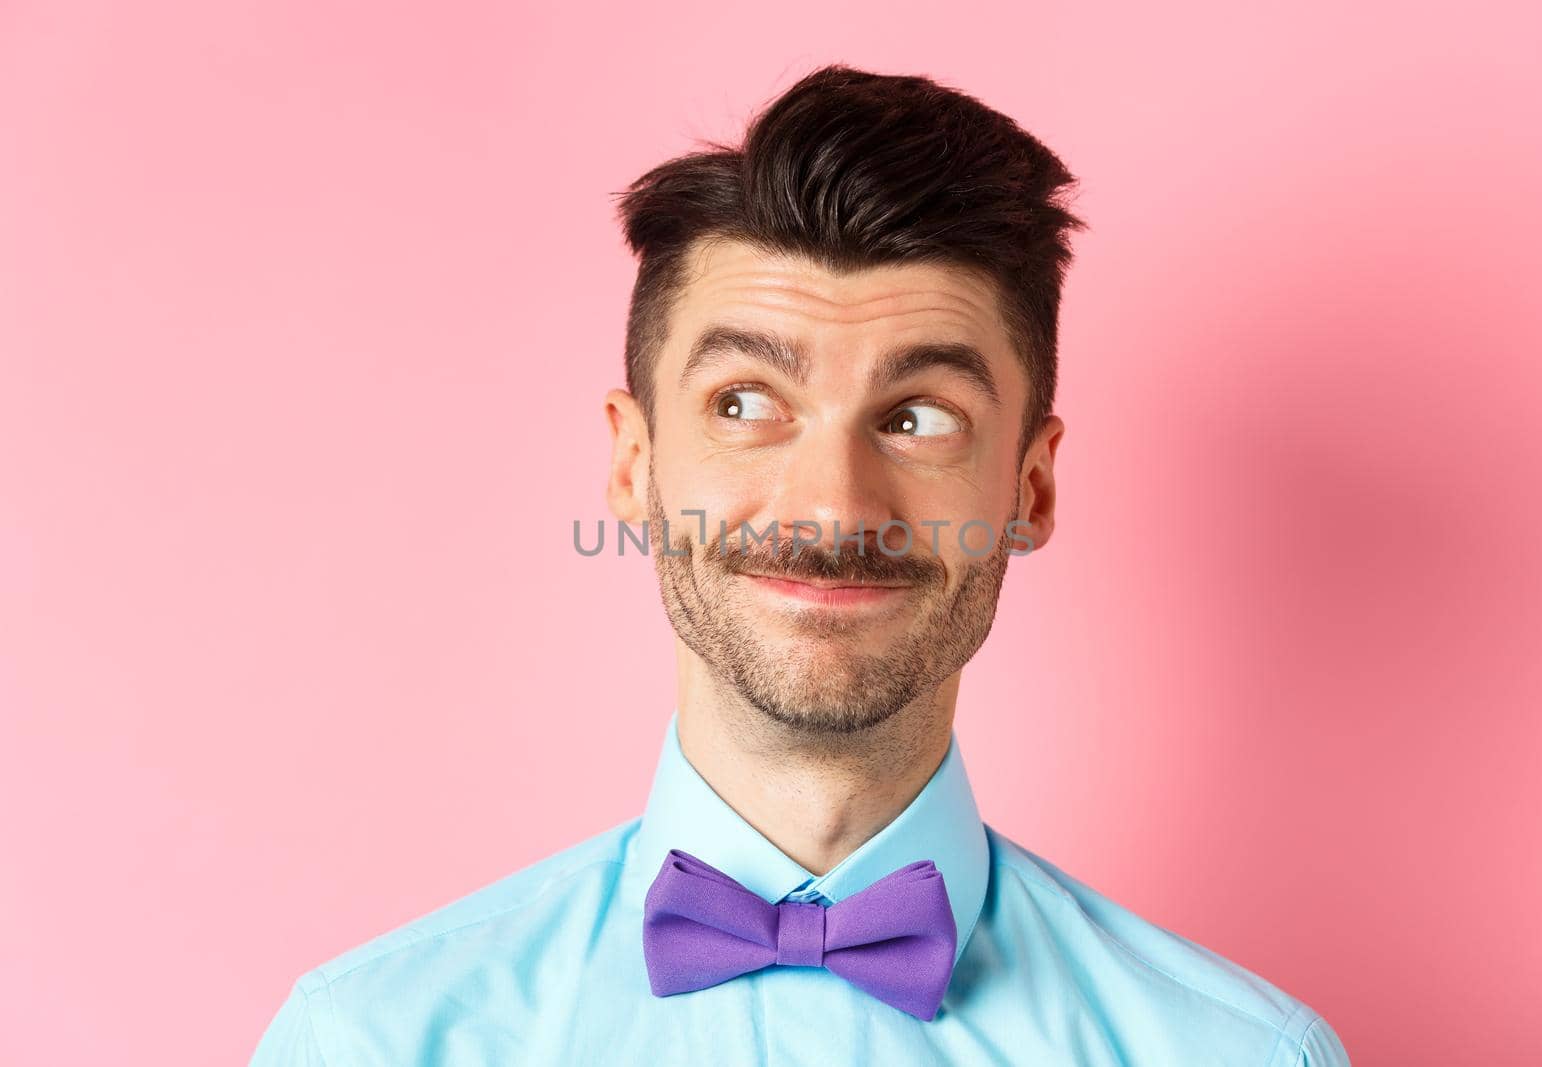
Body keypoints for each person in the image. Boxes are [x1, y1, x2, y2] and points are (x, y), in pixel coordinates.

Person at [250, 63, 1351, 1065]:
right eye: (744, 403)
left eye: (919, 416)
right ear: (635, 464)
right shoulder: (371, 1040)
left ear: (1029, 486)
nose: (832, 504)